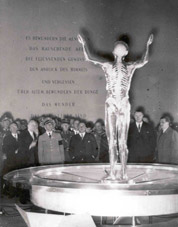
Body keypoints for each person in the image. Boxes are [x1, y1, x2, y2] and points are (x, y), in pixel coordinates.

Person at [78, 33, 153, 180]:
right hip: (111, 103)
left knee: (122, 142)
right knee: (111, 141)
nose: (119, 50)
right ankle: (113, 173)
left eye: (123, 49)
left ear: (126, 53)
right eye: (117, 48)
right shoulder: (107, 66)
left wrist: (147, 45)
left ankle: (124, 174)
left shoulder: (130, 67)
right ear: (114, 52)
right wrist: (83, 44)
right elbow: (89, 58)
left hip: (124, 104)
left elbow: (144, 60)